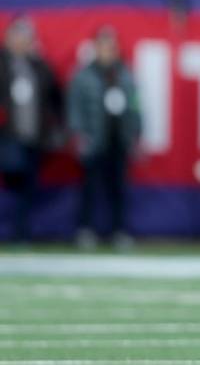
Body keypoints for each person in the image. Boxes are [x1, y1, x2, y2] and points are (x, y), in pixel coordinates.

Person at [67, 27, 141, 250]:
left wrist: (136, 133)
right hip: (94, 138)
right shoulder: (82, 75)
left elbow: (135, 107)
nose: (107, 51)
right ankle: (85, 229)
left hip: (118, 138)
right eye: (102, 46)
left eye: (110, 46)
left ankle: (119, 231)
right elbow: (75, 107)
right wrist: (78, 133)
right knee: (90, 187)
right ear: (95, 48)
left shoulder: (126, 75)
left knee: (118, 188)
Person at [0, 17, 62, 242]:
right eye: (16, 36)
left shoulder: (39, 66)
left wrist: (55, 127)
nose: (20, 42)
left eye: (25, 37)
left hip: (34, 136)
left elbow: (55, 97)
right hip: (6, 136)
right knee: (12, 181)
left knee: (28, 185)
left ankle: (21, 232)